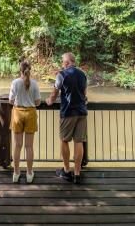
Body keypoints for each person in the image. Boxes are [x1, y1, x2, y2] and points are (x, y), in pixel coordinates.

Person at [46, 52, 87, 184]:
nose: (62, 64)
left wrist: (49, 101)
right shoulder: (82, 74)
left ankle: (66, 171)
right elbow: (85, 93)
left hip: (68, 112)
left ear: (67, 62)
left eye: (63, 61)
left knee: (64, 140)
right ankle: (77, 173)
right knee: (79, 141)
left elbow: (54, 94)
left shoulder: (62, 75)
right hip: (81, 112)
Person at [8, 60, 41, 183]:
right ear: (29, 70)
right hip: (30, 114)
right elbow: (38, 102)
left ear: (20, 70)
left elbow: (11, 101)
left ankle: (16, 173)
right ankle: (29, 173)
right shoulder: (35, 83)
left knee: (17, 146)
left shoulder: (15, 83)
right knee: (29, 146)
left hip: (17, 114)